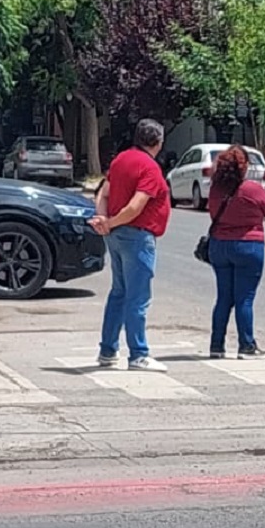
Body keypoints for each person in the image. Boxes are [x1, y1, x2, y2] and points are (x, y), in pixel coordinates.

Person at [93, 118, 172, 370]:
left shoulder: (120, 159)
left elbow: (103, 193)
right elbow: (136, 206)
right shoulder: (150, 168)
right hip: (137, 235)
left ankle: (108, 350)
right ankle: (138, 353)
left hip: (116, 236)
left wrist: (103, 219)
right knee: (138, 297)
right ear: (158, 142)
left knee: (119, 292)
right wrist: (113, 221)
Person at [204, 145, 265, 360]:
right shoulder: (252, 189)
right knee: (245, 298)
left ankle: (216, 345)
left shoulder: (216, 189)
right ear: (243, 167)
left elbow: (212, 212)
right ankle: (246, 345)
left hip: (219, 245)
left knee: (223, 297)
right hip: (248, 245)